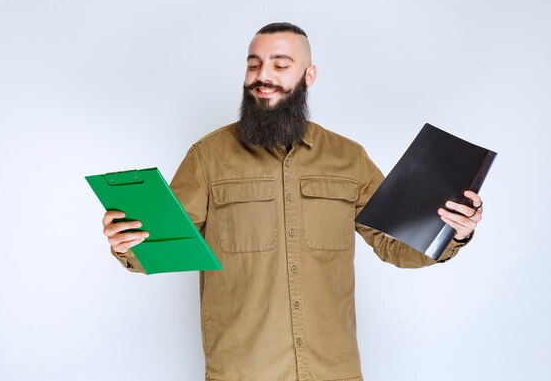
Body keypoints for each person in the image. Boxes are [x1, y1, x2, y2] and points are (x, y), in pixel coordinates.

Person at [102, 22, 484, 381]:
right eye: (254, 65)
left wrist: (455, 232)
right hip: (243, 370)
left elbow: (396, 246)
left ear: (309, 75)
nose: (263, 76)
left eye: (280, 65)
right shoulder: (207, 157)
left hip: (333, 369)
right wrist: (127, 243)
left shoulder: (349, 158)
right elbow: (160, 247)